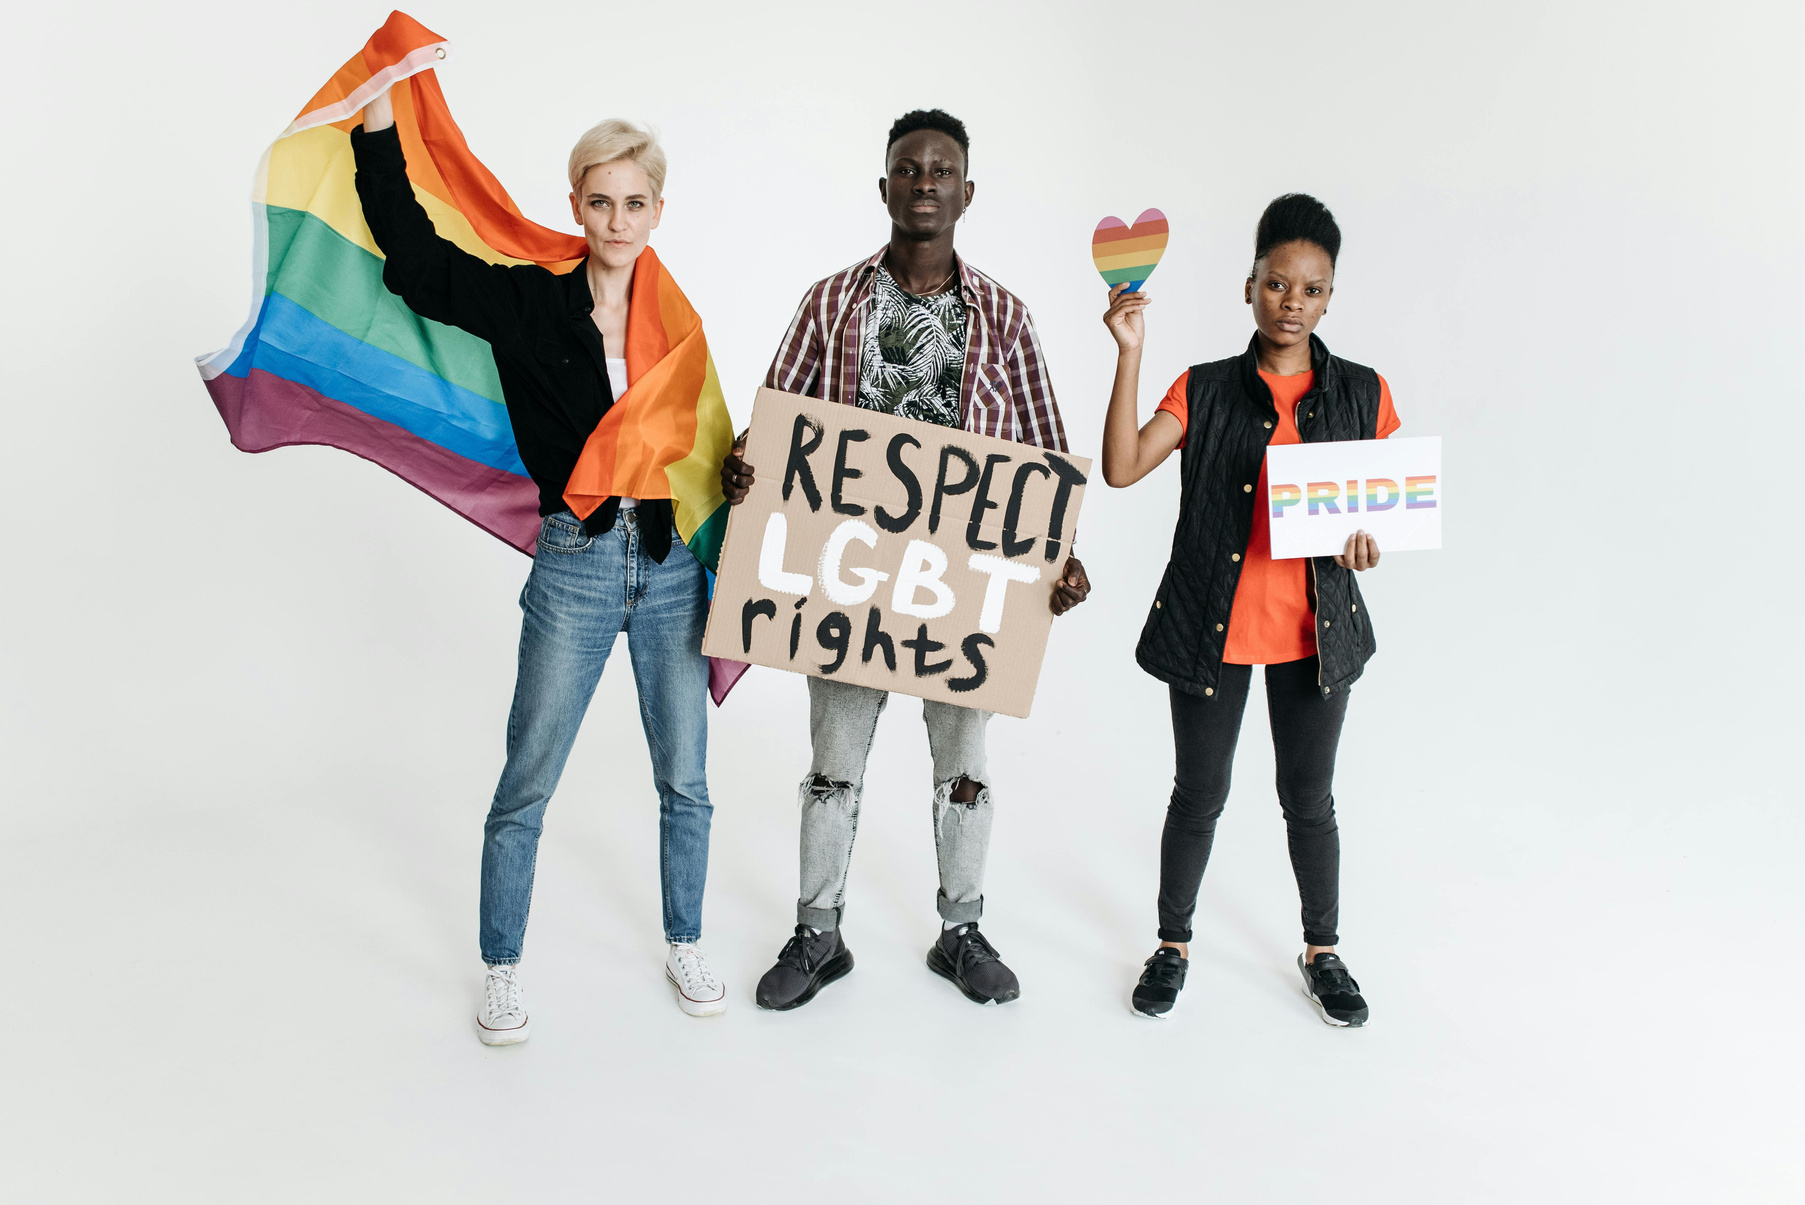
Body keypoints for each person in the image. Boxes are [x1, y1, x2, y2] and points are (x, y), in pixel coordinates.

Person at [353, 89, 726, 1043]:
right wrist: (377, 132)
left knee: (685, 775)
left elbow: (705, 456)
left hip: (670, 560)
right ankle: (502, 966)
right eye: (600, 202)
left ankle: (685, 936)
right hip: (577, 561)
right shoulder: (530, 303)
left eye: (634, 203)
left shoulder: (675, 320)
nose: (616, 221)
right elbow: (419, 268)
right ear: (576, 205)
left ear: (656, 211)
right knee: (528, 774)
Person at [720, 109, 1091, 1010]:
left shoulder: (1003, 315)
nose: (924, 179)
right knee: (832, 762)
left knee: (963, 765)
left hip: (963, 588)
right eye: (907, 167)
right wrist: (744, 462)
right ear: (883, 186)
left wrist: (1062, 553)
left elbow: (1043, 449)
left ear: (966, 192)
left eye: (941, 168)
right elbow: (776, 415)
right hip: (850, 578)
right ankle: (818, 931)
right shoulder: (831, 303)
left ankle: (960, 930)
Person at [1100, 194, 1397, 1026]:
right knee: (1198, 794)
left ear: (1329, 298)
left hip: (1316, 633)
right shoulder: (1201, 390)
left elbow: (1376, 511)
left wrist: (1366, 539)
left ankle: (1322, 950)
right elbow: (1121, 467)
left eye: (1310, 289)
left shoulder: (1364, 394)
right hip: (1211, 628)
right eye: (1275, 283)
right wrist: (1129, 353)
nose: (1290, 302)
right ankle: (1171, 943)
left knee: (1310, 799)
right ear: (1248, 286)